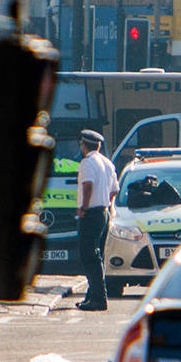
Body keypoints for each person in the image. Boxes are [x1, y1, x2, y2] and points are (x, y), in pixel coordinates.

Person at [75, 129, 119, 311]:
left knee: (89, 256)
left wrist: (83, 208)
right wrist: (106, 204)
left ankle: (99, 299)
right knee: (96, 255)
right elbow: (114, 189)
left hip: (91, 214)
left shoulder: (87, 163)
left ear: (84, 145)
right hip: (103, 213)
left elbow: (87, 185)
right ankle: (92, 295)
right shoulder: (107, 163)